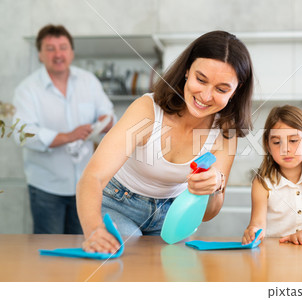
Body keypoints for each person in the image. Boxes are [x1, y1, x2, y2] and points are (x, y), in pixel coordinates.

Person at [76, 30, 254, 253]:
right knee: (127, 260)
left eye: (221, 89)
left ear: (236, 91)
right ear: (187, 70)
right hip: (119, 204)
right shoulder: (148, 111)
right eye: (201, 79)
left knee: (172, 270)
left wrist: (215, 187)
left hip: (173, 215)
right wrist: (94, 230)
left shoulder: (226, 130)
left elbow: (208, 213)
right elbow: (93, 177)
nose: (206, 96)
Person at [12, 24, 114, 234]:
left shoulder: (89, 81)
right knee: (50, 254)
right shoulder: (27, 89)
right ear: (40, 54)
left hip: (86, 187)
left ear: (72, 52)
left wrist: (107, 121)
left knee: (84, 246)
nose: (58, 54)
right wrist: (67, 136)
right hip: (46, 188)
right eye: (50, 48)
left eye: (63, 47)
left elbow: (109, 113)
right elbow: (21, 134)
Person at [242, 105, 302, 246]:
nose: (285, 149)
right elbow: (258, 224)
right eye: (277, 142)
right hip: (274, 256)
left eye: (293, 141)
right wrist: (253, 231)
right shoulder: (261, 182)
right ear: (268, 146)